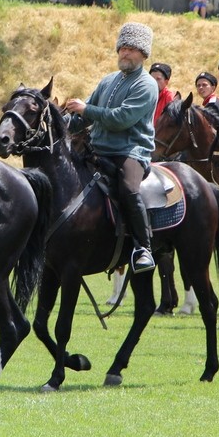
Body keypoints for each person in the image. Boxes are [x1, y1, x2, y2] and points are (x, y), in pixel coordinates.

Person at [66, 22, 159, 273]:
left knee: (129, 189)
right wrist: (62, 122)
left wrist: (86, 110)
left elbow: (121, 119)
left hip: (130, 151)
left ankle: (143, 248)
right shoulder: (107, 81)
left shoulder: (147, 85)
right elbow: (84, 117)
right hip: (97, 149)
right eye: (122, 48)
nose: (125, 53)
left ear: (143, 54)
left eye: (131, 49)